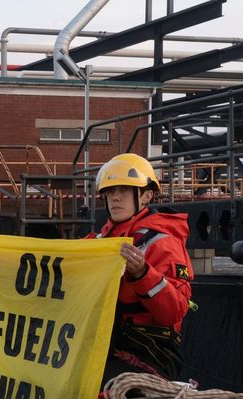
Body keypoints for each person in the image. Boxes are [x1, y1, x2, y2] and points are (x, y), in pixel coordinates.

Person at [87, 153, 193, 386]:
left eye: (124, 190)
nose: (115, 198)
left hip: (150, 351)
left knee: (99, 388)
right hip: (103, 343)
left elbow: (174, 311)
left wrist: (143, 274)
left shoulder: (162, 243)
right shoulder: (97, 241)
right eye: (110, 192)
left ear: (145, 196)